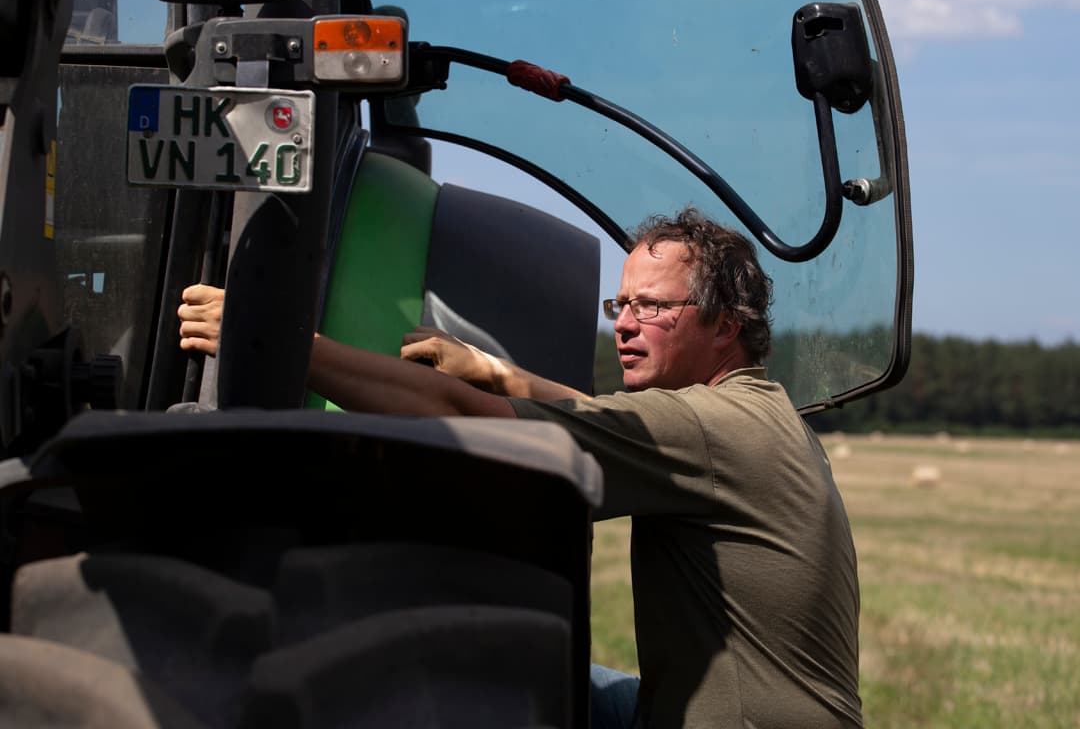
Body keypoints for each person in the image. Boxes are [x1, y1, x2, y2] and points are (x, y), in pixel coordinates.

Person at [179, 208, 863, 729]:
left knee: (469, 683)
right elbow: (606, 421)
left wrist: (278, 337)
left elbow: (457, 414)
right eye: (620, 305)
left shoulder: (709, 429)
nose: (624, 324)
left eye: (653, 307)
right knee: (535, 671)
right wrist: (500, 373)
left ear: (725, 325)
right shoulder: (756, 413)